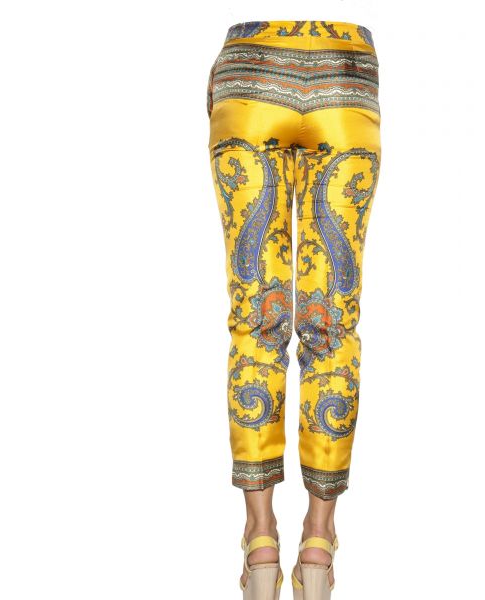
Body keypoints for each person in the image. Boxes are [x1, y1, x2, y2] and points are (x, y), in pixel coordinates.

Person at [207, 20, 381, 599]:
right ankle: (318, 546)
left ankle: (260, 543)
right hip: (344, 74)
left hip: (249, 74)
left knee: (256, 320)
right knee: (331, 323)